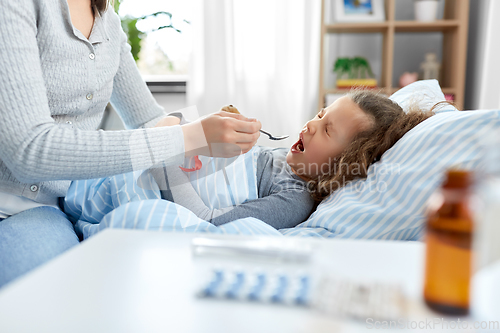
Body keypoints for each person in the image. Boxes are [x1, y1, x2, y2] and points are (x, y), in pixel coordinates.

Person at [0, 0, 261, 288]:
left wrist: (198, 137)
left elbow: (149, 120)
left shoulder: (107, 20)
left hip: (47, 208)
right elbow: (29, 150)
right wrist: (188, 137)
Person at [69, 89, 432, 232]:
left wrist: (173, 148)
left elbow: (206, 222)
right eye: (320, 114)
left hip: (129, 187)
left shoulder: (294, 199)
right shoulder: (274, 157)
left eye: (326, 130)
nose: (310, 124)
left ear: (346, 161)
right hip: (104, 166)